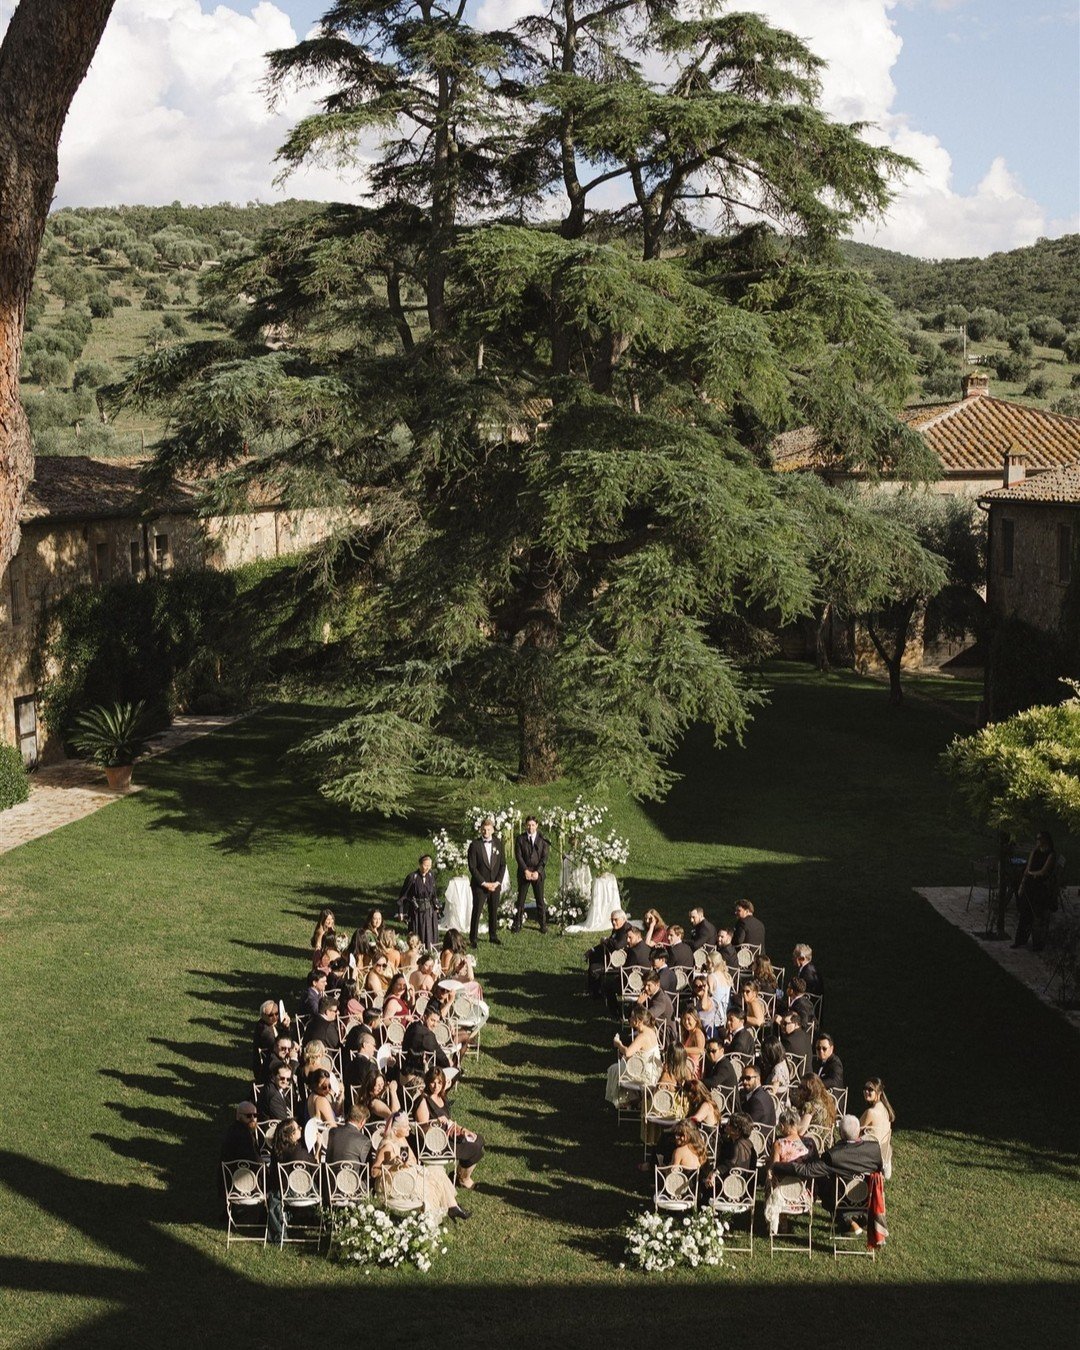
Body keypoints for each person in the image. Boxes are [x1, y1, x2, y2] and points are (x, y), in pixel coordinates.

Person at [771, 1115, 883, 1217]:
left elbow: (808, 1170)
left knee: (822, 1179)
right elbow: (880, 1171)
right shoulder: (874, 1149)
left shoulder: (834, 1156)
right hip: (868, 1199)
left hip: (843, 1200)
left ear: (841, 1134)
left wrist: (777, 1166)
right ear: (859, 1131)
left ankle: (844, 1219)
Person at [372, 1111, 471, 1219]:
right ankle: (433, 1218)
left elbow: (413, 1159)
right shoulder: (387, 1146)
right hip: (394, 1183)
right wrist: (391, 1165)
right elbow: (374, 1172)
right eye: (405, 1127)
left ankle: (452, 1207)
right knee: (431, 1187)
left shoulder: (401, 1138)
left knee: (437, 1170)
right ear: (395, 1130)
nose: (409, 1129)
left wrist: (406, 1162)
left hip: (407, 1173)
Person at [415, 1067, 485, 1187]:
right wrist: (435, 1123)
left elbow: (449, 1121)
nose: (435, 1086)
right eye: (433, 1082)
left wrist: (463, 1130)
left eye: (439, 1082)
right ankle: (463, 1179)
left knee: (479, 1140)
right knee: (474, 1148)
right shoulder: (423, 1100)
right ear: (427, 1082)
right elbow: (422, 1129)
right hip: (435, 1143)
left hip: (448, 1135)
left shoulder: (441, 1097)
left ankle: (460, 1176)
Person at [267, 1118, 316, 1242]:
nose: (301, 1129)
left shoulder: (276, 1151)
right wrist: (318, 1148)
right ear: (292, 1135)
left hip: (281, 1192)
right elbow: (315, 1170)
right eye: (298, 1128)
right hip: (300, 1192)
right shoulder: (300, 1153)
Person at [763, 1108, 811, 1234]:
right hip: (801, 1194)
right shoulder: (807, 1143)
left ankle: (780, 1222)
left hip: (782, 1195)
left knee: (770, 1180)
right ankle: (784, 1222)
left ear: (785, 1125)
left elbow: (774, 1167)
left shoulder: (779, 1144)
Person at [605, 1006, 661, 1105]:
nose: (629, 1019)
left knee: (613, 1069)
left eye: (631, 1017)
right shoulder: (652, 1030)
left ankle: (626, 1101)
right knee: (618, 1067)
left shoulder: (642, 1036)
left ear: (639, 1021)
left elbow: (627, 1052)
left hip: (646, 1075)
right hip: (653, 1070)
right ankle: (633, 1100)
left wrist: (618, 1044)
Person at [1013, 830, 1057, 951]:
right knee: (1025, 912)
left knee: (1037, 914)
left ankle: (1037, 943)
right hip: (1031, 884)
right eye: (1037, 838)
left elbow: (1043, 872)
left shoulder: (1051, 854)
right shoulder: (1035, 852)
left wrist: (1031, 874)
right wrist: (1022, 884)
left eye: (1039, 839)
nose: (1037, 841)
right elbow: (1028, 869)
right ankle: (1020, 940)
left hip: (1042, 886)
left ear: (1045, 840)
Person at [467, 816, 505, 946]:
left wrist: (497, 882)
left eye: (488, 830)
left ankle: (493, 935)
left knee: (493, 910)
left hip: (495, 885)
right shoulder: (475, 845)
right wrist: (484, 883)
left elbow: (502, 865)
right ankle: (473, 938)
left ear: (493, 830)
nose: (486, 832)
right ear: (480, 830)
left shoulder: (499, 843)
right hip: (480, 885)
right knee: (477, 911)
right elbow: (472, 867)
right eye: (484, 830)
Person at [513, 815, 549, 933]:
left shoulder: (542, 839)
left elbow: (544, 858)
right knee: (521, 899)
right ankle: (518, 923)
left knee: (540, 900)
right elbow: (518, 856)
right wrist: (525, 870)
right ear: (525, 826)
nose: (531, 827)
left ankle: (542, 924)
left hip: (537, 873)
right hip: (525, 872)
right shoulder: (520, 839)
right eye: (528, 825)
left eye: (533, 825)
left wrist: (537, 872)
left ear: (537, 826)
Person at [399, 854, 441, 948]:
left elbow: (434, 893)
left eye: (429, 865)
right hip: (417, 913)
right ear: (420, 864)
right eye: (425, 865)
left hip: (430, 912)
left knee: (430, 934)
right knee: (418, 934)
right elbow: (403, 896)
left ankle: (430, 953)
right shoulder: (412, 877)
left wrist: (436, 905)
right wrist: (401, 912)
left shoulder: (431, 875)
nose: (427, 868)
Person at [586, 910, 630, 997]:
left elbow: (618, 945)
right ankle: (593, 988)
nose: (613, 922)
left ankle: (596, 993)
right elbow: (608, 943)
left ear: (623, 919)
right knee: (593, 955)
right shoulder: (617, 929)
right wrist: (592, 949)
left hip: (618, 962)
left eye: (616, 920)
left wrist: (606, 940)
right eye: (612, 920)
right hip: (611, 956)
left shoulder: (625, 930)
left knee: (593, 969)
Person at [402, 1003, 453, 1075]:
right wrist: (449, 1065)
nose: (435, 1025)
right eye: (432, 1020)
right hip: (417, 1073)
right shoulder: (427, 1035)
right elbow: (439, 1055)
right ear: (424, 1017)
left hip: (403, 1068)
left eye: (437, 1021)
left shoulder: (412, 1026)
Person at [860, 1077, 895, 1180]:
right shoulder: (886, 1110)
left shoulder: (871, 1112)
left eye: (870, 1089)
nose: (866, 1091)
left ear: (878, 1092)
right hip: (884, 1154)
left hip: (870, 1156)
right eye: (865, 1088)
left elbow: (854, 1131)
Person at [251, 1000, 290, 1077]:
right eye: (271, 1015)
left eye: (277, 1013)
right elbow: (278, 1047)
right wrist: (286, 1028)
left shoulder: (271, 1023)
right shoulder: (265, 1031)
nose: (275, 1017)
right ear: (263, 1015)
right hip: (268, 1067)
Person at [792, 1073, 837, 1138]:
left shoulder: (810, 1105)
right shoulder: (825, 1102)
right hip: (826, 1141)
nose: (800, 1091)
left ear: (811, 1090)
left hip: (812, 1141)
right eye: (799, 1087)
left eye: (804, 1088)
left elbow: (801, 1131)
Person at [680, 1009, 706, 1075]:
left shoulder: (698, 1033)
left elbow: (700, 1050)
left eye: (689, 1019)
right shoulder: (688, 1033)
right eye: (684, 1019)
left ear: (696, 1020)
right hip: (685, 1065)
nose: (686, 1022)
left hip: (693, 1069)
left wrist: (682, 1049)